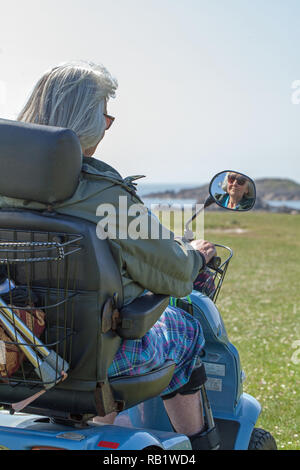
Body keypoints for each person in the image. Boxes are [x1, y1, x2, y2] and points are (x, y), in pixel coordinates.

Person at [0, 61, 217, 449]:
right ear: (87, 122)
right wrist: (197, 256)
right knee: (187, 331)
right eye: (106, 116)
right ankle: (202, 447)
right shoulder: (107, 197)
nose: (107, 127)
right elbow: (176, 272)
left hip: (12, 354)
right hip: (89, 364)